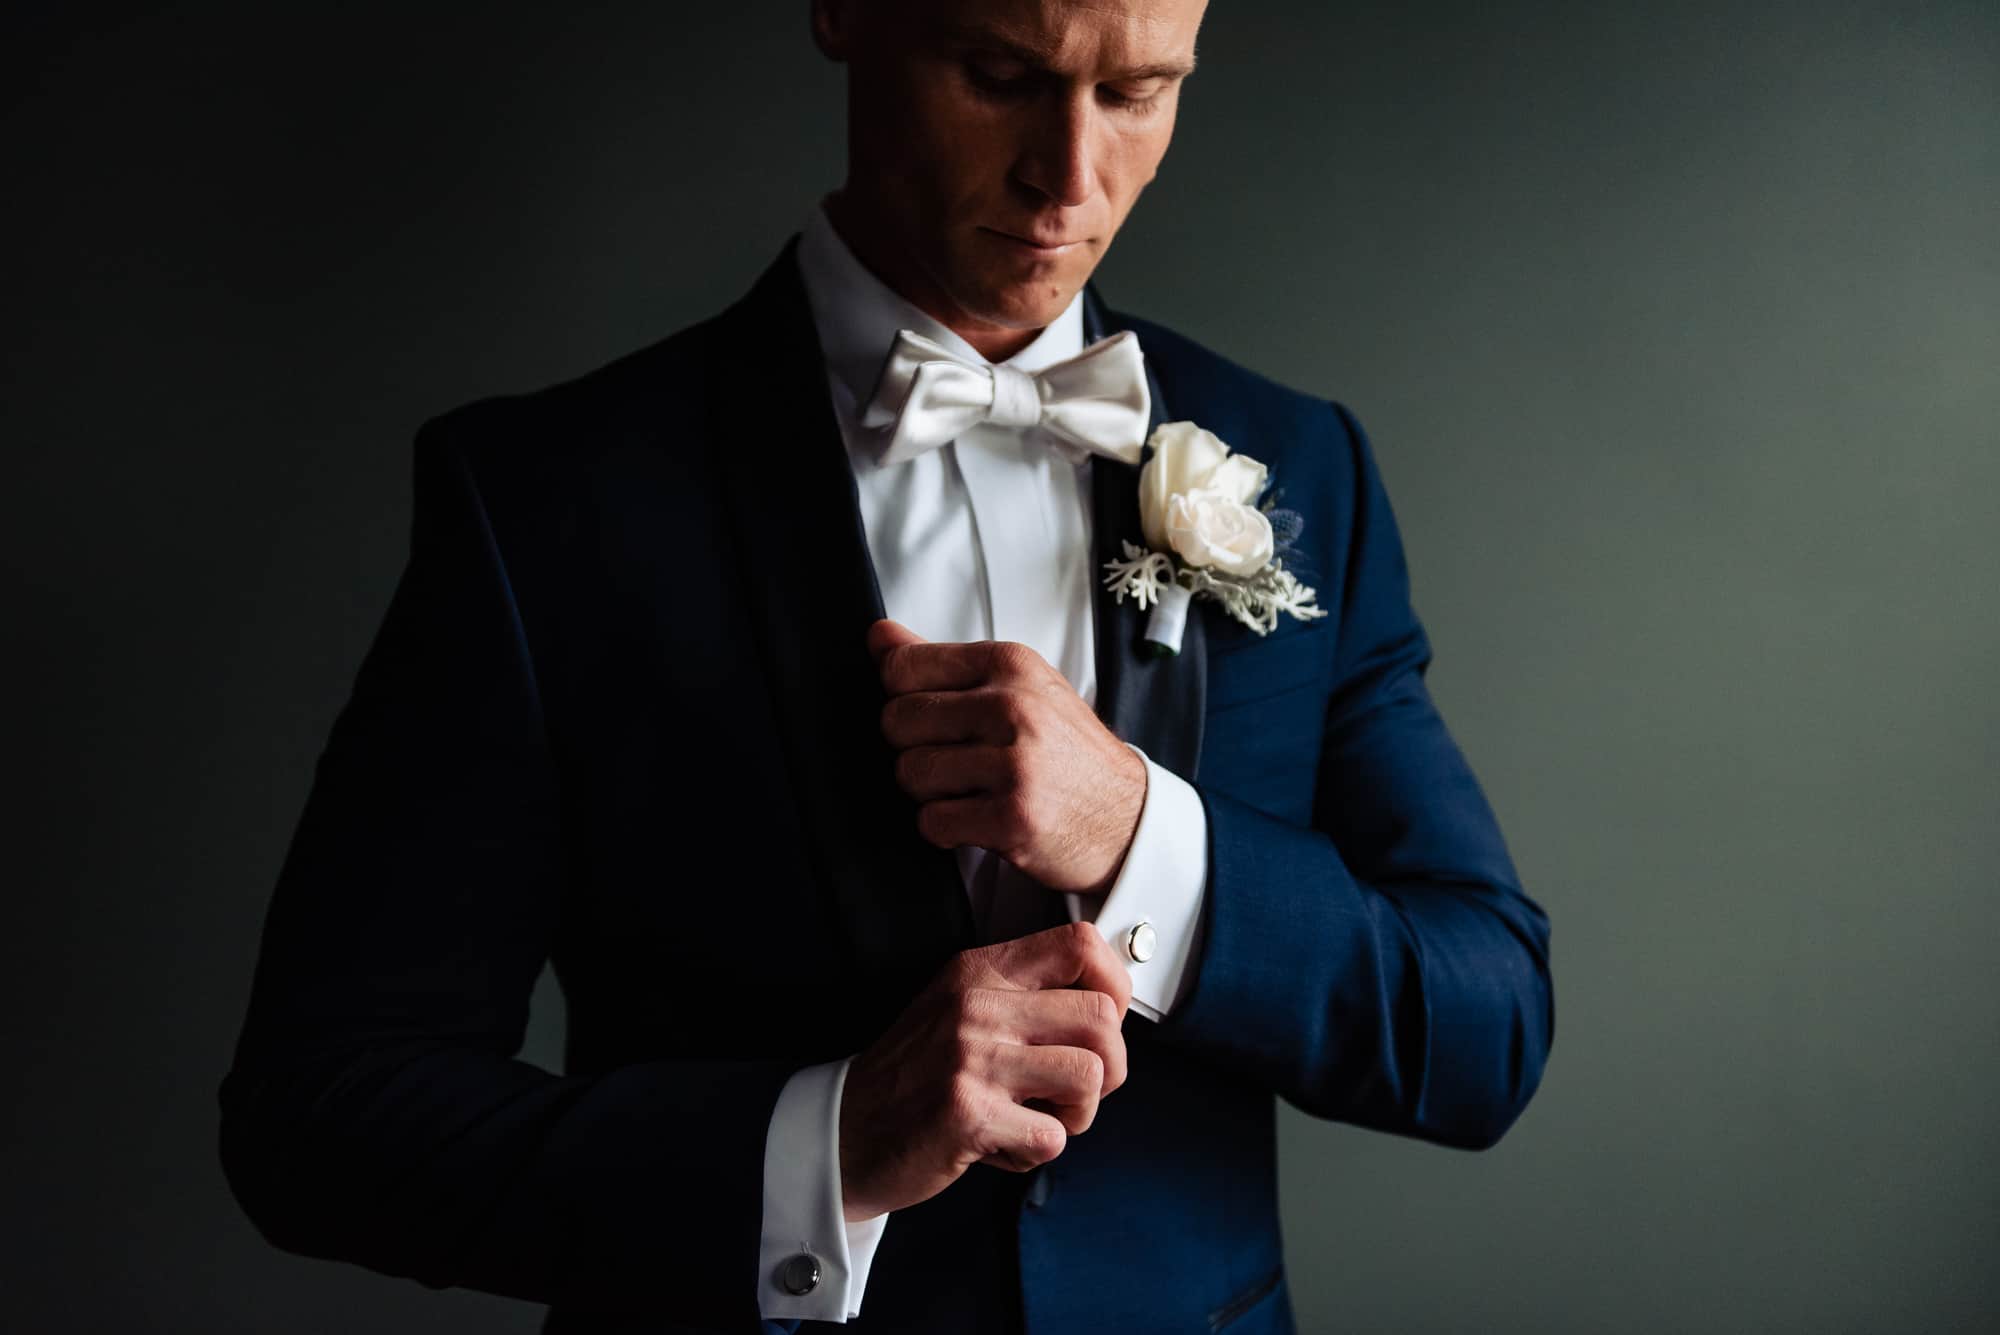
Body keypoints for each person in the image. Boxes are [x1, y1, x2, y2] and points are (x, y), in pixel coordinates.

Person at [216, 1, 1554, 1332]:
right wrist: (828, 1141)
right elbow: (322, 1116)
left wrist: (1145, 837)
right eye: (997, 75)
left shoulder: (1303, 460)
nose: (1068, 177)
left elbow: (1485, 1027)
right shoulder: (545, 504)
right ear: (848, 15)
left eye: (1139, 91)